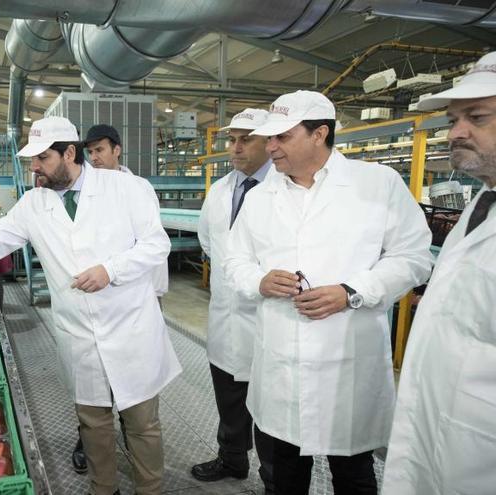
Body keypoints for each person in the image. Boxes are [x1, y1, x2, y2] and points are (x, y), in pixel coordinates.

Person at [0, 116, 181, 495]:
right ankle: (103, 489)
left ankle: (150, 490)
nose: (34, 168)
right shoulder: (33, 205)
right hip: (80, 334)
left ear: (69, 153)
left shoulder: (127, 188)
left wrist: (111, 270)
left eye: (41, 158)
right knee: (93, 424)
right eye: (31, 160)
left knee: (142, 425)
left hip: (131, 329)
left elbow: (157, 245)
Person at [224, 90, 434, 495]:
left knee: (353, 476)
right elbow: (235, 261)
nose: (270, 147)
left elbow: (414, 257)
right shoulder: (260, 197)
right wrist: (259, 281)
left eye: (281, 138)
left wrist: (351, 291)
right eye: (269, 138)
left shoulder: (376, 185)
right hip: (281, 366)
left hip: (347, 362)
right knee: (283, 478)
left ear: (319, 134)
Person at [382, 52, 496, 495]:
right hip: (443, 431)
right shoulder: (481, 204)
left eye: (477, 116)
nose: (456, 132)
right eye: (454, 119)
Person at [62, 123, 171, 475]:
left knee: (134, 390)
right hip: (91, 303)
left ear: (117, 150)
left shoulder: (137, 187)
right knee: (94, 392)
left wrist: (154, 295)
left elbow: (152, 244)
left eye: (100, 151)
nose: (94, 158)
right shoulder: (80, 188)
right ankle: (90, 442)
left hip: (131, 300)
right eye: (89, 153)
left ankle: (133, 437)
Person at [194, 109, 274, 491]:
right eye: (232, 139)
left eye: (247, 139)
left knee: (270, 406)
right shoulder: (221, 188)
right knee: (228, 395)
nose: (236, 147)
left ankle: (273, 477)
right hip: (225, 314)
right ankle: (232, 459)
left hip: (268, 317)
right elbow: (209, 242)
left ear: (269, 141)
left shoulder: (283, 188)